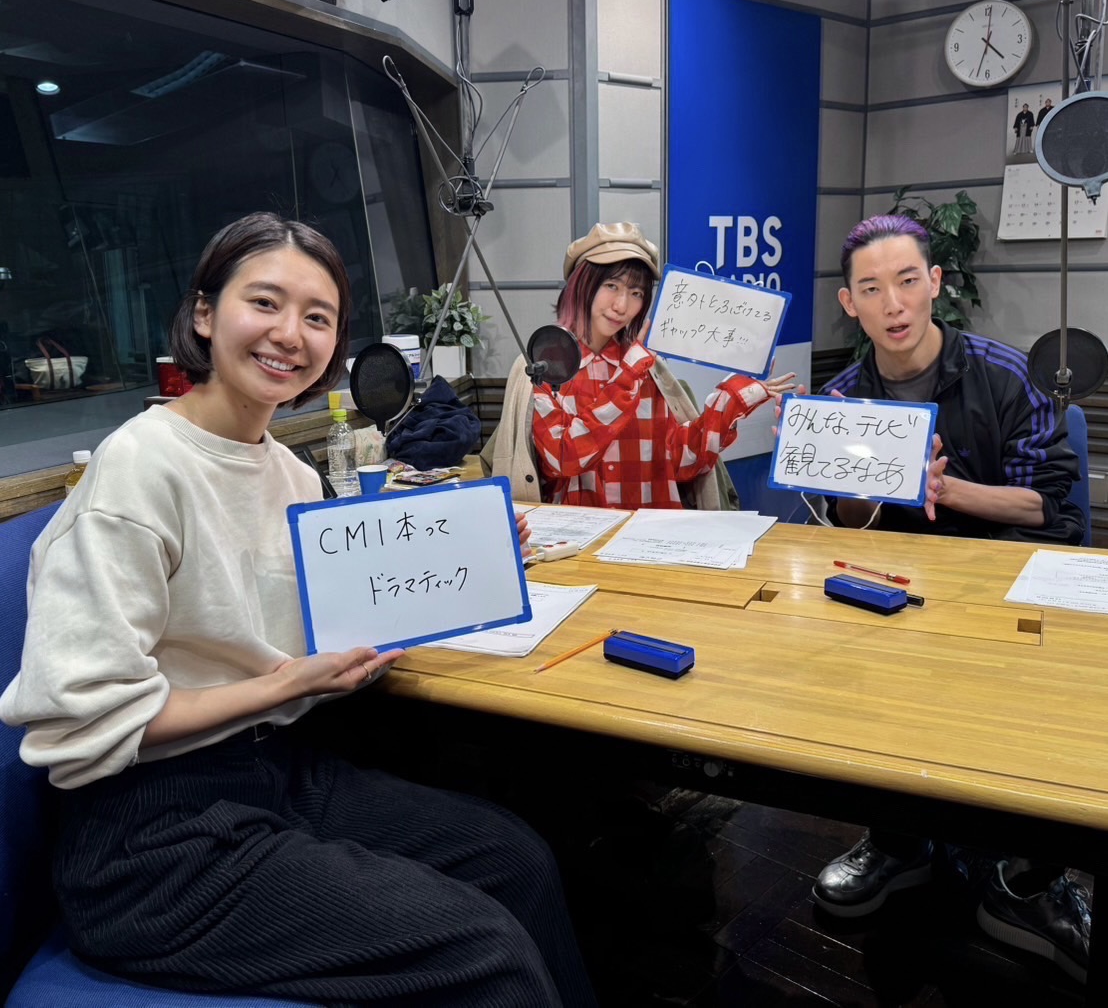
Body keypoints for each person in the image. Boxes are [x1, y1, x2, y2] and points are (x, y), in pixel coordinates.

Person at [0, 212, 597, 1007]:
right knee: (485, 950)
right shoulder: (138, 470)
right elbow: (87, 720)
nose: (290, 334)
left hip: (274, 773)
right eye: (265, 303)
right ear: (205, 313)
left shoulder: (291, 473)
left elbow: (335, 621)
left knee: (515, 860)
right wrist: (285, 686)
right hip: (152, 842)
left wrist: (476, 567)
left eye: (318, 317)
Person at [808, 214, 1089, 983]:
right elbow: (844, 521)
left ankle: (1027, 879)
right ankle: (896, 842)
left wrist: (943, 489)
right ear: (850, 304)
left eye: (907, 281)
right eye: (872, 289)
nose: (893, 304)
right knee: (850, 656)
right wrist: (866, 489)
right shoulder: (843, 398)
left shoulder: (1006, 373)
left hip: (1007, 586)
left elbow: (1050, 506)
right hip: (899, 600)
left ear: (935, 283)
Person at [492, 221, 794, 508]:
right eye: (611, 285)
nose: (622, 306)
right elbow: (562, 459)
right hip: (578, 536)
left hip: (654, 531)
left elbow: (680, 462)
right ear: (581, 284)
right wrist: (627, 378)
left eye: (636, 293)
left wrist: (734, 398)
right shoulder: (545, 365)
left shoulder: (648, 368)